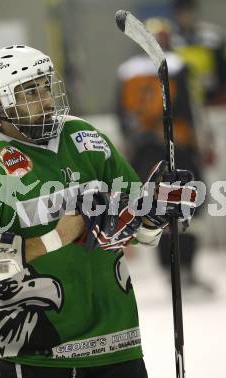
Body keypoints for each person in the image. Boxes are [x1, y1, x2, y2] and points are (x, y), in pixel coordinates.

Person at [0, 45, 197, 378]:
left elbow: (135, 228)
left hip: (116, 342)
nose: (45, 99)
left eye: (46, 86)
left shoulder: (85, 138)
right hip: (30, 354)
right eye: (30, 91)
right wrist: (52, 238)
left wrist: (157, 211)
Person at [116, 17, 211, 292]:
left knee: (156, 208)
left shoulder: (126, 72)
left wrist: (132, 143)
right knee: (187, 205)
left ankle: (171, 272)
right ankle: (187, 269)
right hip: (178, 145)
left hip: (145, 150)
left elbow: (122, 115)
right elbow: (191, 108)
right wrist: (203, 141)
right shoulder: (178, 66)